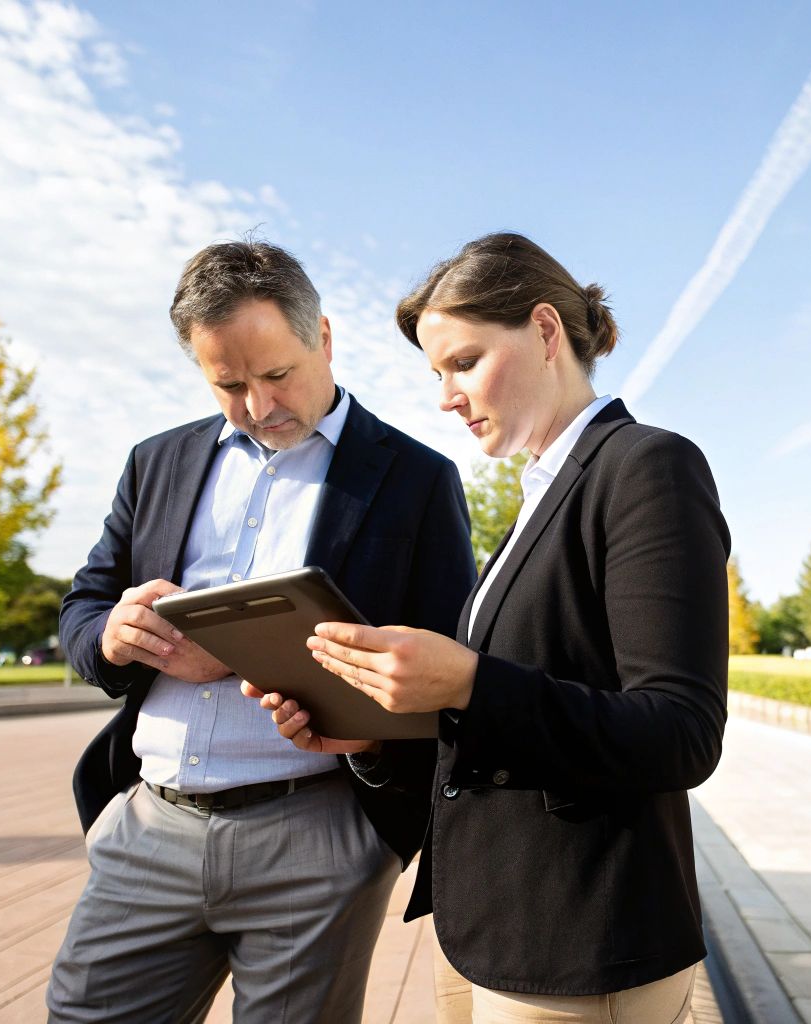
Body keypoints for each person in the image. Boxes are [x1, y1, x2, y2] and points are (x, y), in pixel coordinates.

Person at [245, 232, 730, 1023]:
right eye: (436, 374)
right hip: (484, 933)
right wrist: (369, 739)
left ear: (545, 332)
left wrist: (468, 681)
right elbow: (497, 730)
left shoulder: (646, 467)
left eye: (463, 363)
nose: (445, 396)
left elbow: (680, 732)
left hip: (579, 945)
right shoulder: (538, 496)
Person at [48, 239, 475, 1022]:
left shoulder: (417, 480)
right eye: (228, 385)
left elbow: (447, 671)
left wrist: (265, 660)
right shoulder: (156, 462)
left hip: (318, 836)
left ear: (324, 339)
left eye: (276, 375)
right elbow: (82, 604)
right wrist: (111, 635)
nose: (257, 405)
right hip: (148, 826)